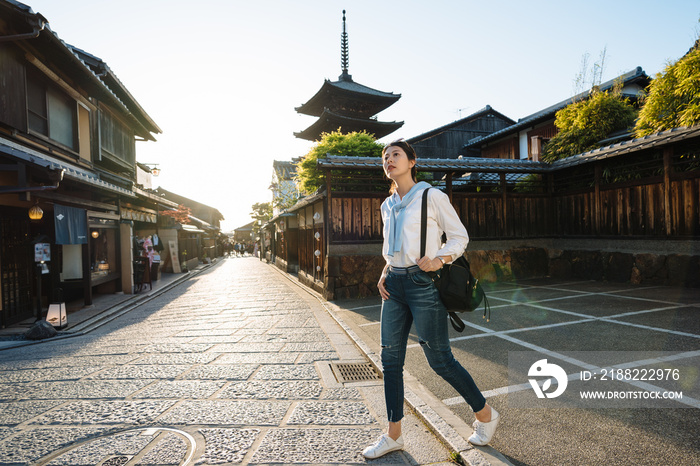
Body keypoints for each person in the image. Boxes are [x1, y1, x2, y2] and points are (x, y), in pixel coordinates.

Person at [362, 139, 499, 459]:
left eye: (395, 154)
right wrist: (385, 270)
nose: (389, 160)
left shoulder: (431, 196)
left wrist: (439, 259)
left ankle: (485, 414)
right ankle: (393, 433)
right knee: (390, 361)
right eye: (385, 157)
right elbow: (393, 246)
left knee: (440, 360)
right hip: (394, 286)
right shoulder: (387, 205)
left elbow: (459, 237)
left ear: (412, 161)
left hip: (424, 284)